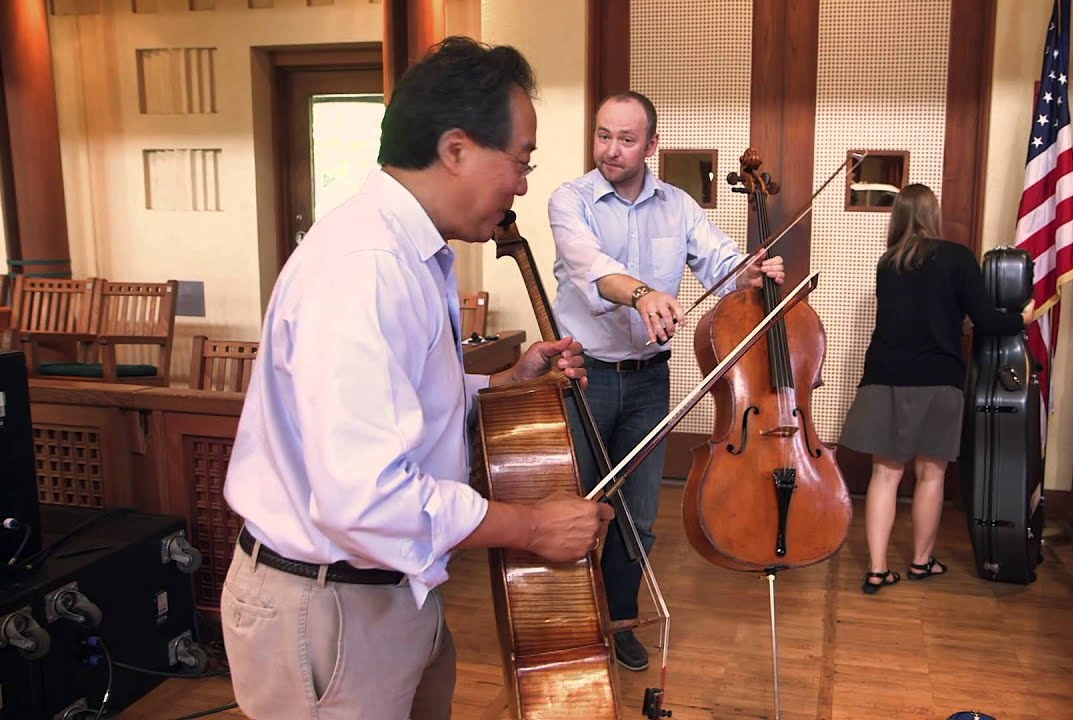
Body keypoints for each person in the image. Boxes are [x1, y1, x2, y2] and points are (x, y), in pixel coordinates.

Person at [219, 37, 613, 720]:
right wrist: (530, 527)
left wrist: (505, 384)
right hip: (330, 605)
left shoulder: (415, 252)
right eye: (521, 162)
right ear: (456, 149)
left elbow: (400, 404)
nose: (523, 185)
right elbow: (366, 497)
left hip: (390, 591)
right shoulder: (365, 266)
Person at [548, 90, 784, 672]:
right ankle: (566, 622)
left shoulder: (677, 206)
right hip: (583, 376)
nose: (611, 150)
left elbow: (720, 265)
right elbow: (590, 268)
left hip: (651, 380)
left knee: (638, 513)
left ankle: (620, 620)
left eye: (627, 140)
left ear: (652, 145)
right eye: (603, 136)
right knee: (571, 507)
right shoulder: (570, 200)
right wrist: (643, 292)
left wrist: (748, 274)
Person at [839, 183, 1033, 594]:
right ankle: (921, 563)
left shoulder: (887, 264)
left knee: (884, 475)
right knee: (931, 475)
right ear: (933, 215)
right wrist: (1023, 319)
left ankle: (876, 569)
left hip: (885, 377)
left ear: (898, 218)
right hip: (937, 378)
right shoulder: (958, 258)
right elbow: (986, 320)